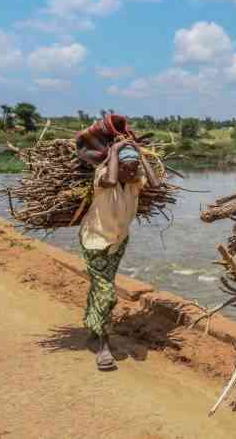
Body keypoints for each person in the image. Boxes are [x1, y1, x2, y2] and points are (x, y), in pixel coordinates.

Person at [79, 139, 161, 370]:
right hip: (94, 241)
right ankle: (104, 347)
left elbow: (155, 183)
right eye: (128, 168)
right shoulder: (103, 177)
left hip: (117, 243)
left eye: (135, 168)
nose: (132, 172)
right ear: (117, 165)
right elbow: (112, 178)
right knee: (107, 294)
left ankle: (93, 327)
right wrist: (114, 151)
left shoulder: (135, 182)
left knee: (100, 287)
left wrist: (140, 154)